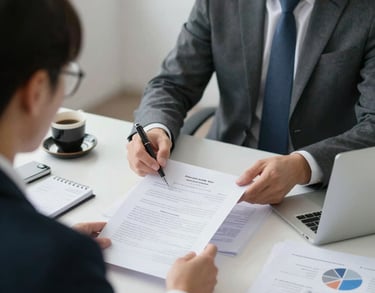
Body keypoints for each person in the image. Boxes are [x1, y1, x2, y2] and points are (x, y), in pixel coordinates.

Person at [0, 0, 218, 292]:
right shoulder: (63, 261)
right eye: (66, 75)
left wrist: (48, 240)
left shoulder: (55, 253)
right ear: (36, 90)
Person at [127, 0, 375, 204]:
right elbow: (172, 83)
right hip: (226, 167)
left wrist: (303, 165)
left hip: (317, 181)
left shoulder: (366, 12)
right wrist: (154, 128)